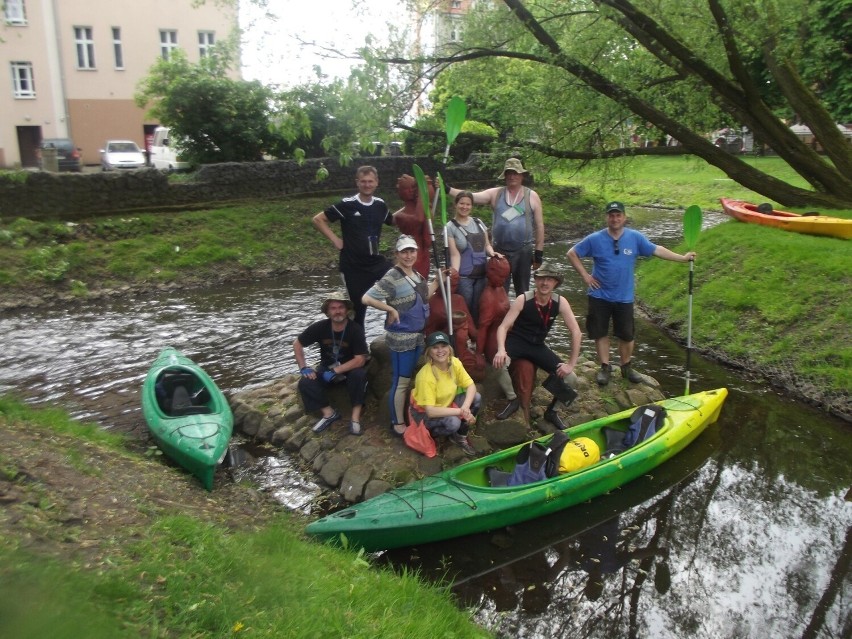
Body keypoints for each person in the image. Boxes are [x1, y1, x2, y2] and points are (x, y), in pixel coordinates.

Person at [566, 201, 696, 385]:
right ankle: (605, 367)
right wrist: (586, 276)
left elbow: (657, 249)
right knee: (600, 333)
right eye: (611, 215)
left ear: (624, 217)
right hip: (599, 295)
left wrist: (682, 258)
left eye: (618, 215)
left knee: (627, 335)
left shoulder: (635, 237)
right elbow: (572, 253)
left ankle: (626, 367)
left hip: (624, 296)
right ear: (607, 218)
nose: (615, 218)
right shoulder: (595, 239)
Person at [362, 235, 440, 436]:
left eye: (412, 251)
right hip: (402, 338)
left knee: (410, 378)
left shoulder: (417, 274)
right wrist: (390, 309)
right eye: (404, 252)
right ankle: (397, 424)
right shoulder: (392, 276)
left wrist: (439, 281)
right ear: (397, 254)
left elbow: (425, 297)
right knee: (401, 381)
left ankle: (409, 414)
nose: (408, 255)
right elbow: (367, 298)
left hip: (417, 336)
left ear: (417, 252)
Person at [493, 262, 582, 430]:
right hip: (517, 342)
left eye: (549, 279)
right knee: (499, 364)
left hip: (538, 346)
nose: (545, 283)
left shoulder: (560, 302)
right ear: (535, 280)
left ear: (556, 283)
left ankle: (552, 412)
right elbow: (503, 327)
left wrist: (571, 364)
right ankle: (513, 400)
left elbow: (576, 332)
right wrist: (501, 350)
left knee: (571, 378)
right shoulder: (523, 299)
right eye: (541, 279)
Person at [447, 158, 544, 296]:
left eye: (515, 173)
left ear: (522, 175)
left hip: (523, 251)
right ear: (504, 176)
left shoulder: (532, 196)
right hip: (499, 252)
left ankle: (522, 316)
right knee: (498, 290)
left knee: (523, 291)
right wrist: (448, 189)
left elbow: (540, 226)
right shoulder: (496, 193)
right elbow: (470, 197)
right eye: (508, 173)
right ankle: (501, 317)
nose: (512, 176)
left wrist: (539, 253)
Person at [312, 165, 394, 327]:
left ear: (376, 182)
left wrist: (414, 207)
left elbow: (393, 221)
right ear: (357, 183)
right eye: (363, 181)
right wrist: (336, 240)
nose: (367, 185)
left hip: (376, 262)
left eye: (370, 181)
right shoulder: (347, 204)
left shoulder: (380, 205)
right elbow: (318, 219)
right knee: (358, 309)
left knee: (399, 282)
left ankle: (393, 324)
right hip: (353, 266)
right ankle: (359, 348)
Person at [293, 291, 369, 436]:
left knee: (359, 376)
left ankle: (355, 418)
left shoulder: (355, 329)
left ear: (347, 310)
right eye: (333, 308)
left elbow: (360, 359)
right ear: (327, 312)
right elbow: (297, 344)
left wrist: (336, 371)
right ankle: (329, 413)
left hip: (350, 368)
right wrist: (303, 367)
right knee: (305, 382)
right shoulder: (320, 327)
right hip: (326, 368)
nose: (337, 311)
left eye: (341, 307)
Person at [409, 331, 480, 457]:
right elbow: (430, 411)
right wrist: (462, 412)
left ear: (449, 348)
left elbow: (471, 386)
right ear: (429, 352)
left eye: (443, 346)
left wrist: (465, 407)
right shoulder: (425, 376)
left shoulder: (454, 362)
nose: (440, 351)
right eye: (435, 347)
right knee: (453, 423)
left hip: (447, 404)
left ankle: (459, 436)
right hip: (424, 414)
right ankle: (435, 435)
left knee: (476, 397)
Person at [446, 190, 502, 325]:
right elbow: (454, 254)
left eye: (468, 204)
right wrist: (454, 274)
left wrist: (493, 253)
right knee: (466, 307)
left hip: (481, 275)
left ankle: (477, 339)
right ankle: (466, 335)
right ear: (456, 204)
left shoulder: (479, 222)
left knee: (479, 307)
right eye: (461, 204)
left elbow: (487, 245)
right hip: (464, 277)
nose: (464, 207)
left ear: (472, 206)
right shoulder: (449, 227)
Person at [392, 173, 434, 279]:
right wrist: (422, 192)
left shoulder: (423, 210)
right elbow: (418, 220)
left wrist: (427, 185)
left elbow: (428, 239)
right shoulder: (400, 216)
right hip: (409, 257)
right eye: (406, 188)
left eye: (413, 187)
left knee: (422, 286)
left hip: (423, 255)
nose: (411, 191)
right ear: (400, 192)